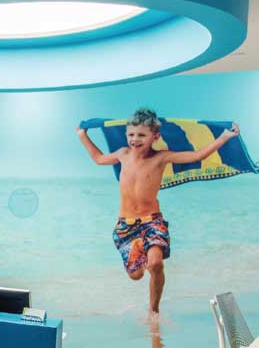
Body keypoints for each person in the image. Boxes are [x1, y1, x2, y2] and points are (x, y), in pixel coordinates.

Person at [77, 107, 240, 315]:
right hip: (125, 226)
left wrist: (225, 136)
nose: (135, 139)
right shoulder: (122, 154)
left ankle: (154, 311)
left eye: (141, 135)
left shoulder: (161, 158)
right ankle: (143, 255)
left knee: (155, 265)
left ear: (155, 136)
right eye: (131, 134)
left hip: (152, 221)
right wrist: (82, 135)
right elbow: (99, 159)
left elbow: (196, 155)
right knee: (136, 275)